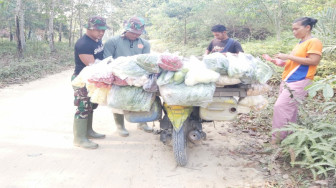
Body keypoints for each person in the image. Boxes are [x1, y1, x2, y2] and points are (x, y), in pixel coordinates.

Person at [268, 17, 322, 144]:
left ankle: (276, 140)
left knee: (280, 107)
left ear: (307, 27)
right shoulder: (300, 43)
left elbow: (314, 61)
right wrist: (282, 62)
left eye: (296, 29)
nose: (294, 32)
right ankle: (288, 140)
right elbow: (297, 62)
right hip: (288, 80)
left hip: (300, 80)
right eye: (292, 29)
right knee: (289, 110)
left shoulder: (314, 41)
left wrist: (287, 56)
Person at [103, 16, 152, 137]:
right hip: (119, 77)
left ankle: (142, 123)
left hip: (138, 78)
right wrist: (119, 74)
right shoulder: (112, 42)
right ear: (126, 30)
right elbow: (107, 60)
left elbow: (145, 61)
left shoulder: (144, 44)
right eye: (134, 32)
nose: (136, 35)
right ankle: (120, 126)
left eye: (139, 33)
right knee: (117, 100)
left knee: (141, 99)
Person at [72, 16, 110, 149]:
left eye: (103, 30)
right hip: (83, 79)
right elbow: (92, 65)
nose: (101, 32)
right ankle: (79, 138)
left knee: (91, 106)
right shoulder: (84, 44)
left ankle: (88, 131)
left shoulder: (97, 40)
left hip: (93, 78)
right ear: (89, 28)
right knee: (83, 107)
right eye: (98, 30)